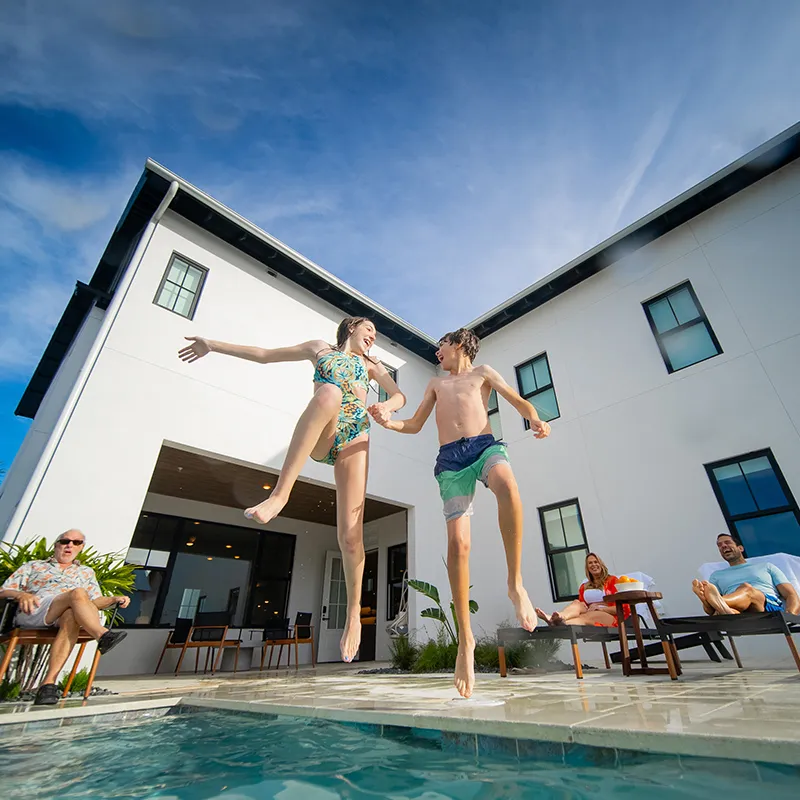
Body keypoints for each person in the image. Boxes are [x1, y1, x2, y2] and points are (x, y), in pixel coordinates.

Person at [179, 317, 404, 662]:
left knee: (351, 536)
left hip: (355, 436)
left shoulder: (372, 365)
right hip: (325, 429)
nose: (373, 335)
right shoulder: (319, 349)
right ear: (352, 327)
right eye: (369, 329)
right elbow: (265, 354)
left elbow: (398, 395)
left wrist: (387, 407)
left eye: (375, 334)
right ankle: (281, 494)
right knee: (329, 391)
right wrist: (212, 344)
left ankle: (354, 613)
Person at [370, 328, 549, 698]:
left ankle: (515, 583)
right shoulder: (436, 384)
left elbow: (518, 401)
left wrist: (534, 418)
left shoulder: (482, 372)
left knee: (509, 487)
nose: (437, 352)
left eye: (442, 345)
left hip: (484, 447)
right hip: (450, 462)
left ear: (460, 345)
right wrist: (389, 423)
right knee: (458, 546)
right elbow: (416, 424)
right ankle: (465, 641)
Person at [0, 530, 130, 705]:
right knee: (77, 592)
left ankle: (48, 685)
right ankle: (102, 635)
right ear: (56, 545)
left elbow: (95, 601)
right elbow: (3, 590)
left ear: (81, 548)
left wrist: (114, 599)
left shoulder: (86, 572)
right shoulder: (34, 566)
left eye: (76, 542)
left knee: (71, 614)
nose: (70, 545)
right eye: (65, 541)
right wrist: (20, 595)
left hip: (65, 613)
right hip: (36, 609)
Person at [692, 533, 800, 615]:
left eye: (727, 542)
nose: (723, 546)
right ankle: (725, 609)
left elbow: (790, 594)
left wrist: (790, 616)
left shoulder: (766, 566)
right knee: (716, 605)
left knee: (747, 588)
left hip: (767, 606)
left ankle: (717, 602)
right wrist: (709, 606)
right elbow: (710, 611)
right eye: (719, 545)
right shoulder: (716, 575)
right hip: (739, 611)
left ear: (740, 548)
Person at [535, 553, 629, 627]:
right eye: (590, 563)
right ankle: (560, 617)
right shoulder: (584, 586)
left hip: (611, 617)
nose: (594, 565)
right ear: (587, 567)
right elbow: (580, 608)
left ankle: (557, 623)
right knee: (577, 603)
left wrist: (601, 608)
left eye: (596, 562)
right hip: (589, 612)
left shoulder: (613, 581)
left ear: (601, 564)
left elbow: (623, 608)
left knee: (585, 617)